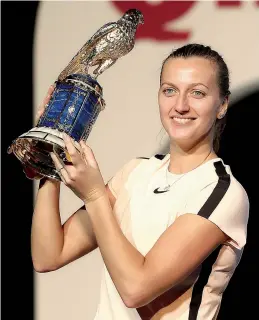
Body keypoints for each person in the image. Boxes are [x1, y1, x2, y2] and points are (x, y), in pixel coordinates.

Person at [31, 43, 249, 320]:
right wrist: (51, 151)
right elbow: (49, 255)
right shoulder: (136, 172)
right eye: (169, 90)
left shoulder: (222, 193)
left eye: (197, 93)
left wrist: (96, 196)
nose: (180, 106)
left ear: (222, 105)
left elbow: (136, 289)